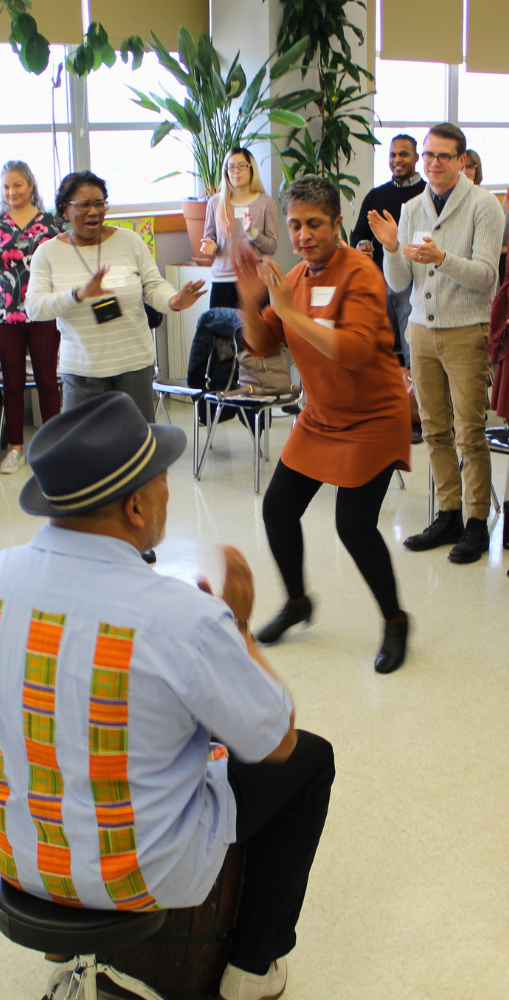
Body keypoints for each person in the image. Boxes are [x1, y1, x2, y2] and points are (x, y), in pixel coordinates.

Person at [0, 392, 334, 1000]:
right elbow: (274, 740)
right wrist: (240, 633)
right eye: (163, 477)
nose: (169, 490)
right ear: (136, 505)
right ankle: (253, 969)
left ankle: (61, 936)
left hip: (17, 857)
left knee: (62, 723)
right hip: (142, 872)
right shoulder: (182, 619)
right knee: (310, 760)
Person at [234, 176, 412, 674]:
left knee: (353, 525)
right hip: (321, 418)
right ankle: (297, 602)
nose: (303, 234)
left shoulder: (361, 273)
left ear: (336, 223)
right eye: (295, 225)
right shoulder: (293, 280)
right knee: (277, 509)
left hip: (374, 417)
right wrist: (252, 301)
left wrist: (287, 311)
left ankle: (396, 621)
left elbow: (354, 350)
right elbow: (264, 344)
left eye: (314, 223)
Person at [369, 122, 504, 564]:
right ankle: (448, 513)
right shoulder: (412, 208)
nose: (432, 163)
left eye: (442, 156)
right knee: (433, 429)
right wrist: (392, 248)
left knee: (469, 431)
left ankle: (476, 523)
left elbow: (487, 277)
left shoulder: (485, 206)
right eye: (427, 155)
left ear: (462, 160)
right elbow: (399, 283)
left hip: (466, 330)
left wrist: (442, 259)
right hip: (421, 331)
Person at [25, 170, 206, 424]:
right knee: (81, 450)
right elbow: (34, 308)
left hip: (133, 365)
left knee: (137, 448)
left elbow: (153, 286)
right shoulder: (47, 253)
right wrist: (77, 295)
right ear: (65, 208)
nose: (94, 211)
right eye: (85, 205)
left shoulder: (129, 241)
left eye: (100, 204)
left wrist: (173, 301)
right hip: (81, 371)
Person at [0, 160, 62, 475]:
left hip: (42, 310)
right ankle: (15, 448)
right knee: (12, 382)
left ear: (31, 185)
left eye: (18, 185)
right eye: (6, 187)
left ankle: (52, 446)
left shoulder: (52, 222)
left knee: (48, 380)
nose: (11, 192)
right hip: (3, 313)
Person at [350, 134, 427, 365]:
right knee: (376, 351)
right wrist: (362, 245)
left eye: (403, 154)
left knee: (413, 351)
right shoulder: (376, 195)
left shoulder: (427, 195)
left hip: (414, 286)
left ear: (415, 158)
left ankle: (414, 398)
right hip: (380, 284)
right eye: (393, 154)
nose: (397, 159)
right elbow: (359, 233)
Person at [199, 147, 278, 309]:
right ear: (226, 171)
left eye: (242, 166)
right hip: (223, 280)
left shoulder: (266, 203)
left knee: (257, 333)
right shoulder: (215, 203)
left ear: (251, 169)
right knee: (221, 333)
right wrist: (211, 245)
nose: (236, 171)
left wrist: (252, 232)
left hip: (254, 280)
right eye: (231, 167)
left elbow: (271, 247)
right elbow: (210, 238)